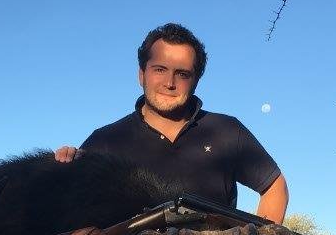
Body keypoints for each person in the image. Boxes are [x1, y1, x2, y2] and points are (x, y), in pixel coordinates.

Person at [54, 23, 289, 223]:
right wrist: (66, 163)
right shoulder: (104, 140)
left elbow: (274, 187)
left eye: (182, 74)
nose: (170, 82)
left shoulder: (227, 130)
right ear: (141, 74)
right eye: (159, 69)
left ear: (196, 81)